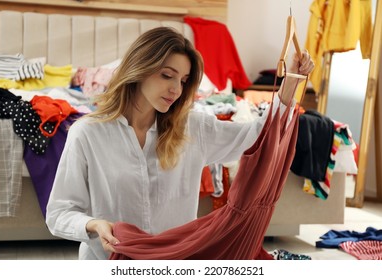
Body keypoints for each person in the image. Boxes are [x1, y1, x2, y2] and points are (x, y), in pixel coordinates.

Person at [45, 26, 314, 260]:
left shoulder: (194, 127)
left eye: (184, 81)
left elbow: (258, 137)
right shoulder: (87, 133)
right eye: (167, 75)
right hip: (110, 262)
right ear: (139, 69)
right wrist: (94, 224)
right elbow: (59, 213)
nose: (177, 89)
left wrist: (291, 83)